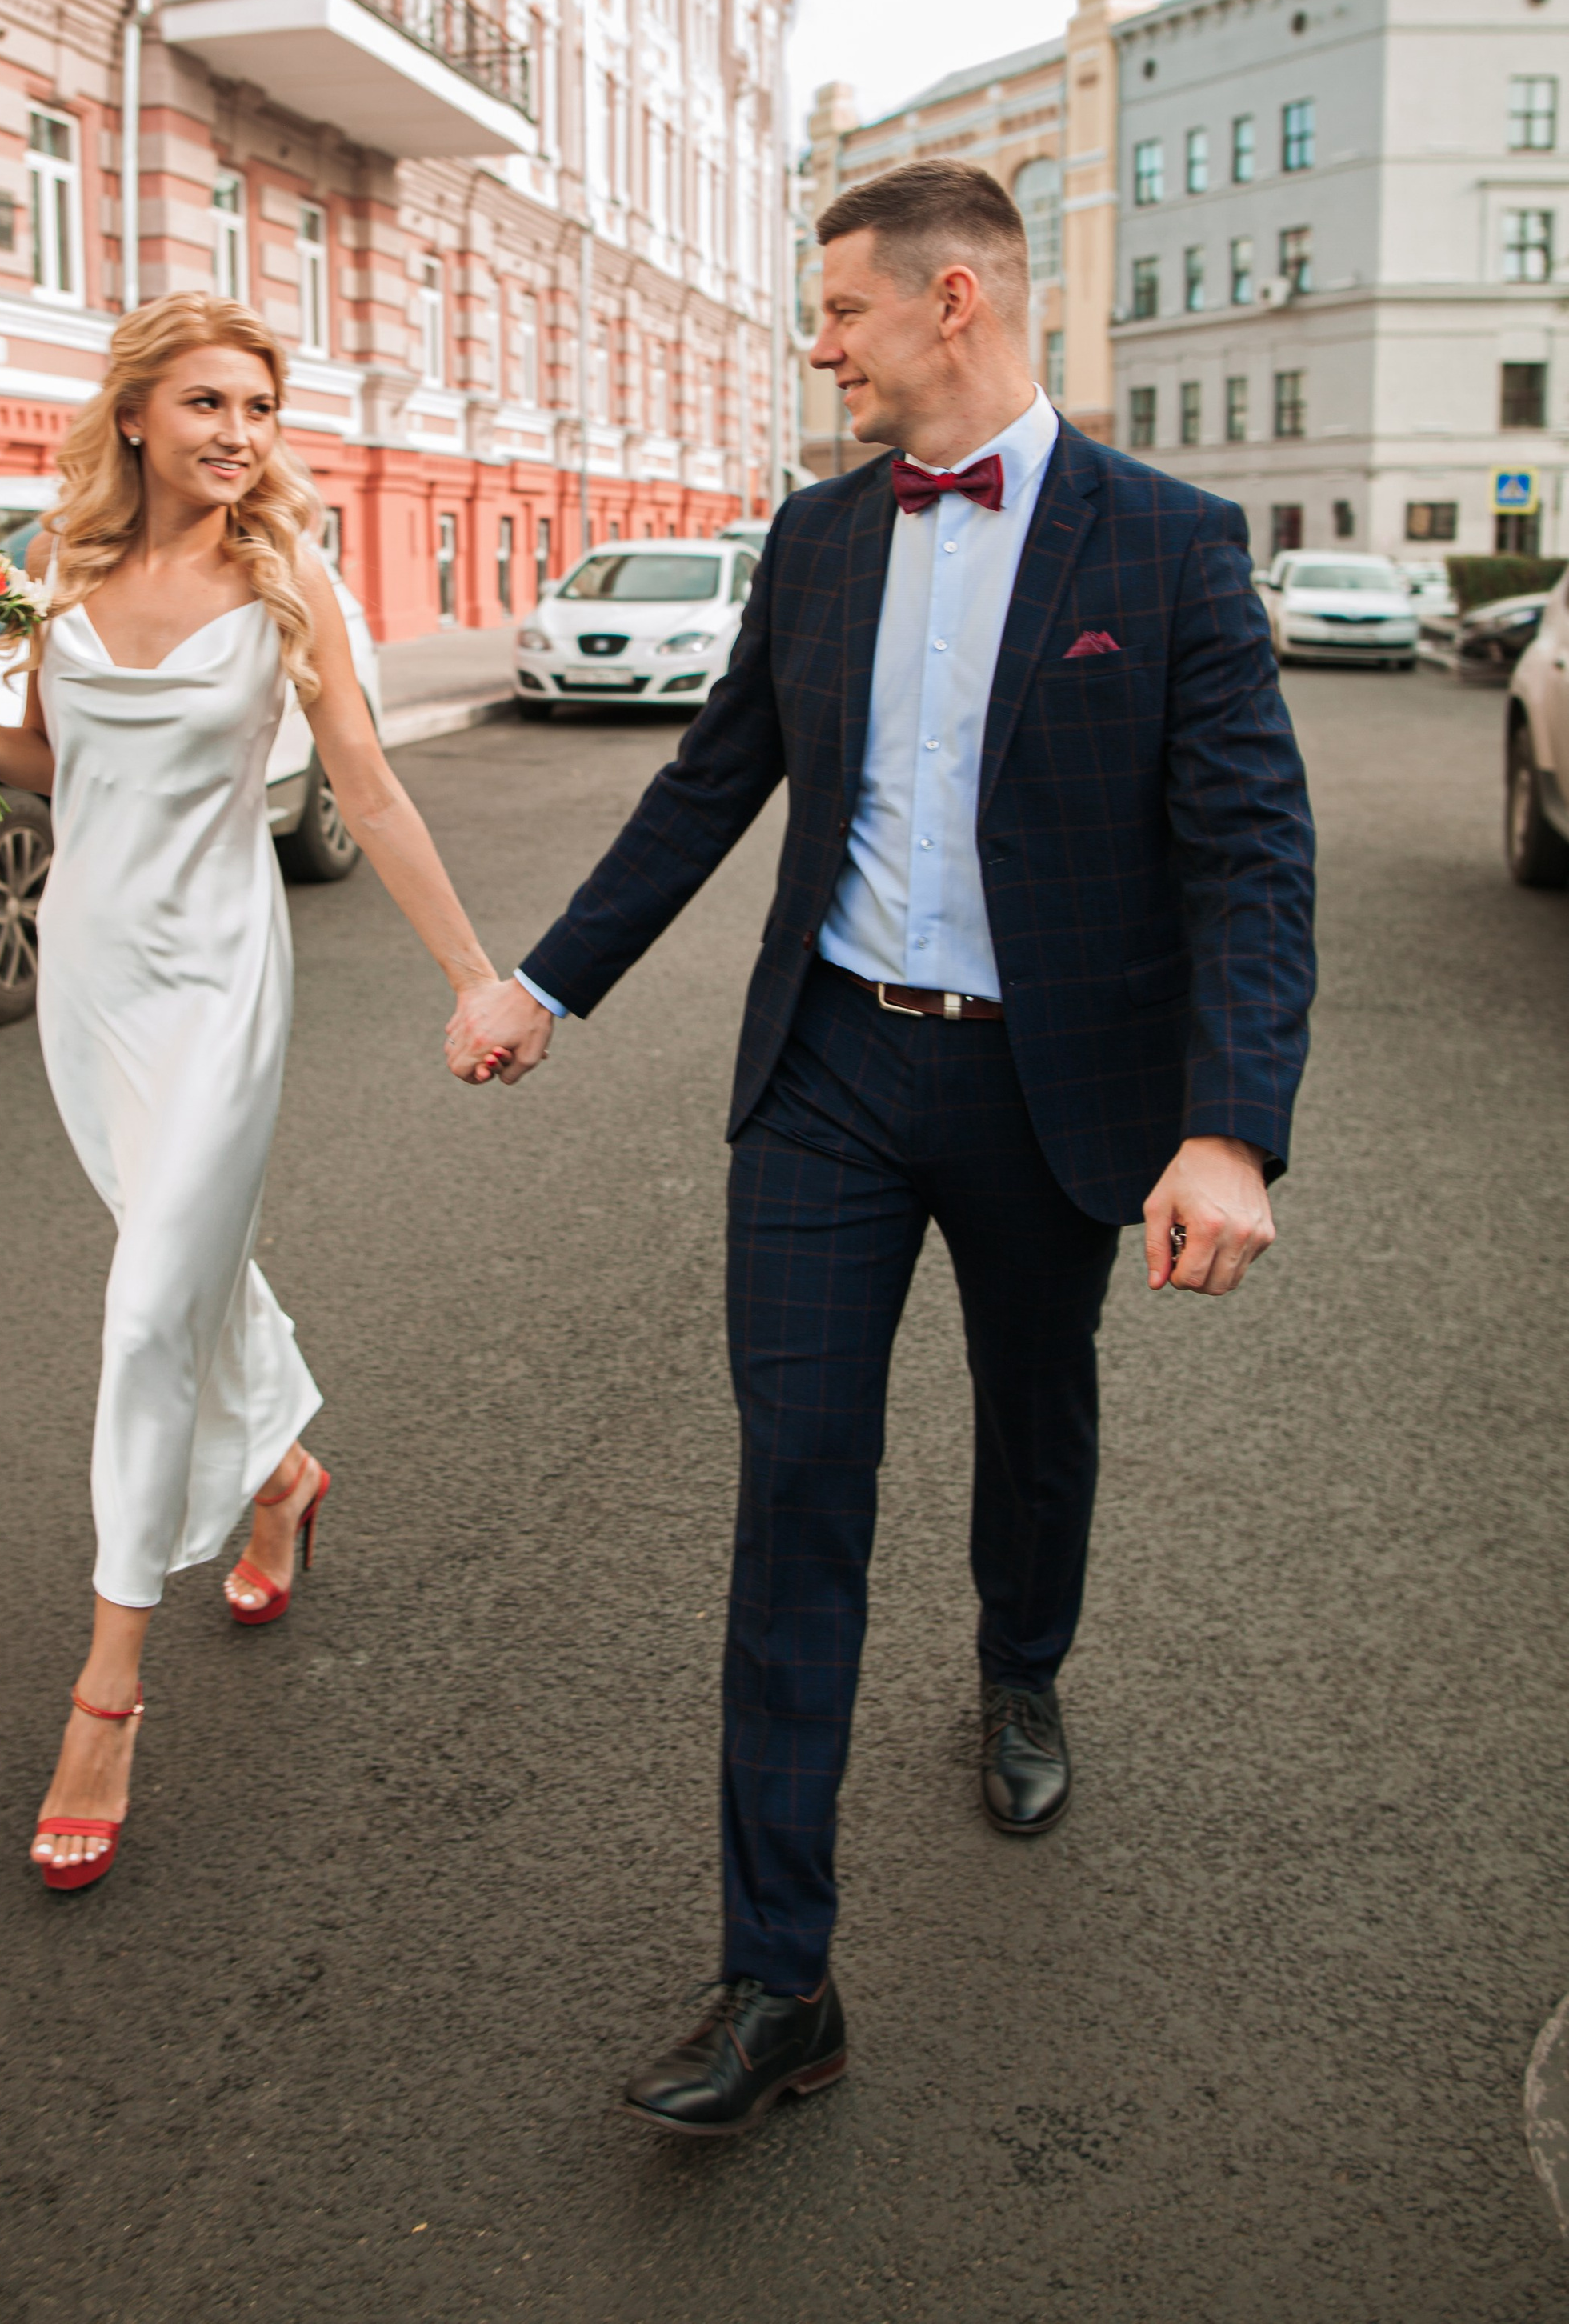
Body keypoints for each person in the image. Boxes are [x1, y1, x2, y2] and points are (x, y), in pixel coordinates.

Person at [447, 160, 1316, 2135]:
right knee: (798, 1486)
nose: (813, 346)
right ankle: (780, 1980)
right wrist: (540, 985)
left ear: (948, 302)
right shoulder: (819, 535)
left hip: (1048, 1093)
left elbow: (1251, 859)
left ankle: (1019, 1664)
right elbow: (708, 788)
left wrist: (1225, 1131)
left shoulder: (1164, 547)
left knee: (1034, 1409)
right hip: (831, 1072)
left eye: (834, 312)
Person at [0, 294, 506, 1894]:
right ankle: (284, 1470)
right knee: (189, 1266)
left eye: (259, 407)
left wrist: (473, 976)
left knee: (149, 1303)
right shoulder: (70, 581)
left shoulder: (283, 578)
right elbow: (48, 771)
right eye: (209, 405)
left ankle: (106, 1691)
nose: (239, 435)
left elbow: (363, 788)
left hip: (222, 980)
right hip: (90, 982)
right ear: (136, 421)